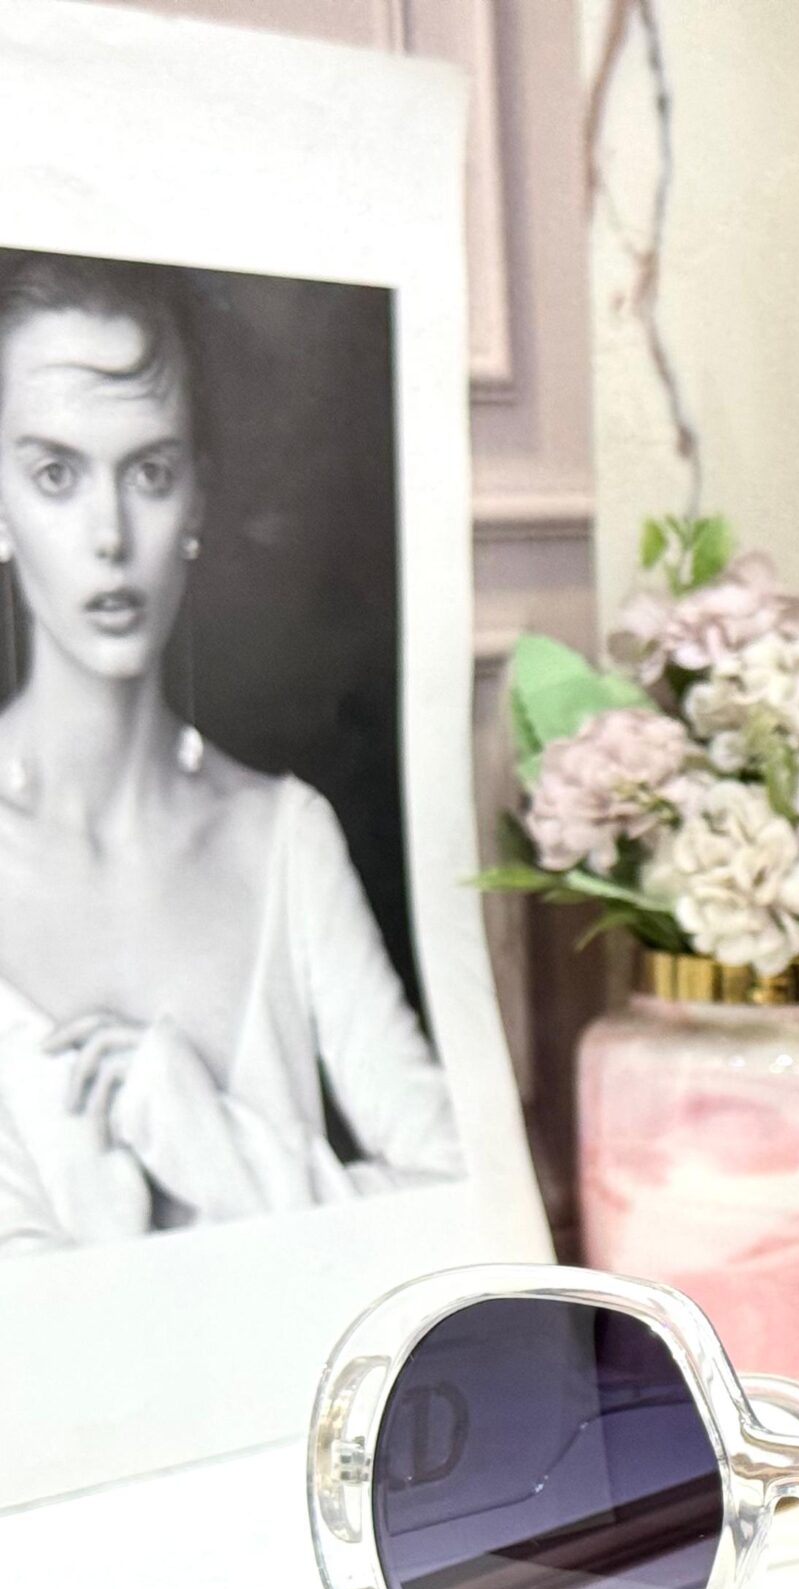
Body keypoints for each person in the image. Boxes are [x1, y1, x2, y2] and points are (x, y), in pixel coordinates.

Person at [0, 251, 459, 1255]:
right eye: (55, 474)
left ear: (198, 500)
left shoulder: (287, 839)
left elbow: (452, 1201)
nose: (110, 535)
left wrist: (213, 1143)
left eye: (150, 474)